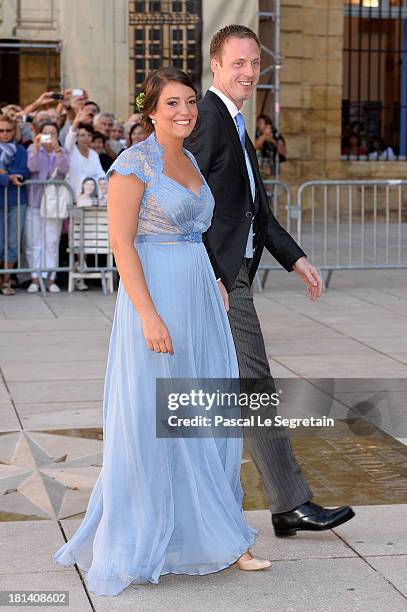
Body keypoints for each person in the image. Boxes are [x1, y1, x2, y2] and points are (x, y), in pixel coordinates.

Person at [53, 67, 271, 596]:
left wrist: (216, 284)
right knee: (160, 420)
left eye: (191, 102)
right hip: (157, 299)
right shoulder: (133, 163)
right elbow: (123, 246)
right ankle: (151, 535)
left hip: (199, 295)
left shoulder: (191, 158)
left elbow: (201, 232)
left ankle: (224, 536)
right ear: (150, 110)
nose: (185, 111)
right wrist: (148, 315)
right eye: (173, 103)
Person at [185, 24, 355, 537]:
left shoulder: (235, 124)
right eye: (238, 63)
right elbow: (186, 205)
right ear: (215, 66)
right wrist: (212, 275)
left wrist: (295, 257)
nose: (248, 72)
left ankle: (278, 503)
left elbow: (255, 209)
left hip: (230, 275)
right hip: (221, 281)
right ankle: (289, 502)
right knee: (254, 388)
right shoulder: (209, 121)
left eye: (255, 63)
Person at [25, 122, 69, 293]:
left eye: (53, 133)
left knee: (51, 242)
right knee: (34, 242)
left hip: (53, 205)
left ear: (57, 136)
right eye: (46, 133)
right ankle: (35, 277)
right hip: (35, 202)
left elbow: (64, 169)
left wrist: (57, 151)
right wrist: (36, 147)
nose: (49, 136)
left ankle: (51, 278)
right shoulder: (32, 149)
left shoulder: (62, 151)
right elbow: (32, 167)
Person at [0, 114, 30, 295]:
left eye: (8, 130)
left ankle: (6, 280)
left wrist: (6, 174)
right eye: (1, 130)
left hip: (16, 200)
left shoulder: (20, 150)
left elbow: (24, 171)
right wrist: (8, 177)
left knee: (12, 242)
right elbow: (15, 175)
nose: (4, 134)